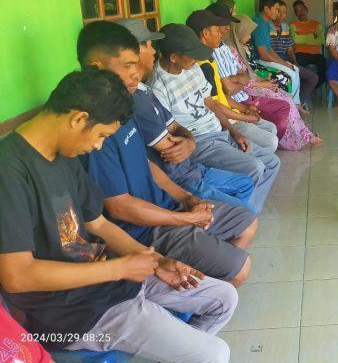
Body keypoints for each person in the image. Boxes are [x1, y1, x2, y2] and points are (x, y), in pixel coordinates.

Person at [0, 69, 236, 362]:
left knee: (225, 298)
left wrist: (155, 261)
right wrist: (119, 269)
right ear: (79, 119)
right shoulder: (9, 170)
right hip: (72, 314)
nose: (98, 146)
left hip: (111, 281)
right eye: (101, 135)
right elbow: (17, 276)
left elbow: (98, 223)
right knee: (216, 354)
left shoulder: (62, 155)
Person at [76, 21, 257, 287]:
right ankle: (205, 286)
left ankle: (206, 273)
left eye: (136, 63)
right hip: (145, 230)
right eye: (129, 65)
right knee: (240, 269)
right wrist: (185, 219)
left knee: (248, 222)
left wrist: (185, 198)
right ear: (96, 67)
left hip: (167, 206)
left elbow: (147, 166)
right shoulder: (93, 130)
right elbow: (119, 207)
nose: (136, 74)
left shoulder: (124, 105)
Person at [114, 18, 257, 212]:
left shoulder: (143, 90)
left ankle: (231, 215)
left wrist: (190, 141)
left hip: (192, 166)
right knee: (247, 208)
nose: (154, 50)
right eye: (148, 45)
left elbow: (176, 127)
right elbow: (171, 149)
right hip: (183, 177)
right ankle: (231, 216)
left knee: (246, 183)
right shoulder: (143, 95)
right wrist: (190, 143)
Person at [149, 23, 280, 214]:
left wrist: (233, 132)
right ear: (174, 57)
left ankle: (247, 213)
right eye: (191, 55)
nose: (196, 59)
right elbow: (170, 131)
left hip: (219, 132)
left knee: (272, 162)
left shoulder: (192, 68)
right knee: (255, 167)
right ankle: (242, 216)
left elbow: (211, 103)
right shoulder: (158, 87)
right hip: (200, 141)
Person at [192, 7, 283, 155]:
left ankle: (256, 156)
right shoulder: (202, 65)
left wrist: (246, 109)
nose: (221, 33)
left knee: (271, 128)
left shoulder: (210, 58)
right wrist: (245, 116)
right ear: (205, 33)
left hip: (232, 111)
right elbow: (216, 104)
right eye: (217, 30)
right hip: (224, 121)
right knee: (271, 142)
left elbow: (224, 94)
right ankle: (253, 159)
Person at [227, 14, 323, 150]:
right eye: (247, 34)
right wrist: (262, 84)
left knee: (286, 96)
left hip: (250, 85)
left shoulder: (238, 48)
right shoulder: (229, 52)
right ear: (238, 33)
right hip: (245, 92)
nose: (249, 37)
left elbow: (246, 74)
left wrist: (261, 80)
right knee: (284, 100)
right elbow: (238, 81)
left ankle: (304, 134)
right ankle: (296, 139)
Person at [252, 0, 318, 112]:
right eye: (276, 9)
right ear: (266, 9)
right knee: (291, 73)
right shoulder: (259, 24)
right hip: (260, 61)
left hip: (269, 58)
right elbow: (263, 55)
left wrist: (283, 62)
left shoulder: (265, 22)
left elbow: (269, 49)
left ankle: (296, 104)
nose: (278, 13)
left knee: (295, 70)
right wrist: (283, 63)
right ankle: (292, 107)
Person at [291, 0, 326, 87]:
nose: (301, 12)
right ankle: (306, 89)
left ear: (306, 9)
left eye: (302, 9)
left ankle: (312, 88)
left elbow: (321, 40)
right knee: (300, 71)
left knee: (324, 67)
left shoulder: (316, 24)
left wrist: (301, 38)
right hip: (300, 54)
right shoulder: (293, 24)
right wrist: (311, 36)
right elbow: (294, 39)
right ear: (295, 14)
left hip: (316, 54)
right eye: (298, 11)